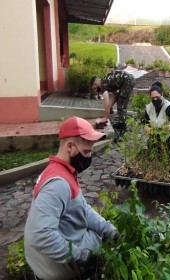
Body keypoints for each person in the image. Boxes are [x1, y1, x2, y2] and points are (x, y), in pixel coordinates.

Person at [24, 116, 119, 280]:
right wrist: (81, 256)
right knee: (102, 244)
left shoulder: (62, 171)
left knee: (101, 233)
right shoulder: (57, 185)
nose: (89, 157)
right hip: (53, 268)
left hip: (51, 256)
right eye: (86, 152)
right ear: (70, 146)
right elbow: (40, 235)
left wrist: (109, 229)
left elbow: (83, 208)